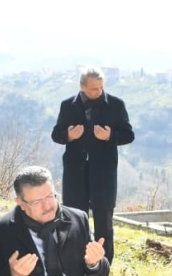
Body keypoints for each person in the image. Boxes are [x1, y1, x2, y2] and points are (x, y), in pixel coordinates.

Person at [0, 166, 120, 276]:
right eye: (37, 201)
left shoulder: (78, 219)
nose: (47, 205)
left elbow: (101, 274)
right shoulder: (0, 229)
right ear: (20, 202)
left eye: (50, 196)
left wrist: (94, 263)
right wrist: (13, 274)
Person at [49, 66, 134, 262]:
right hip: (75, 173)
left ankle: (103, 265)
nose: (99, 92)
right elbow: (56, 134)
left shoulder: (116, 104)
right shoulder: (67, 105)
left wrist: (110, 136)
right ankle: (74, 261)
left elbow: (128, 135)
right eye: (94, 88)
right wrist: (68, 135)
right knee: (74, 218)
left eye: (101, 87)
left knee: (104, 220)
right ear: (82, 87)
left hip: (103, 174)